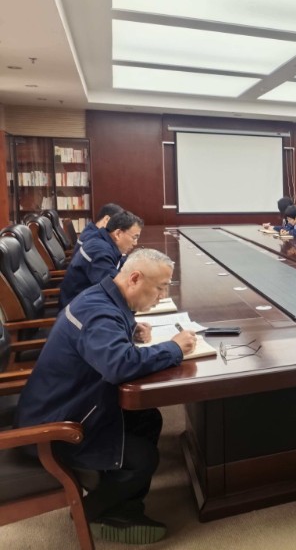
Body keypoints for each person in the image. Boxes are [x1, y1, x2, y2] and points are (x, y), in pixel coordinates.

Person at [15, 248, 197, 543]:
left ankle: (125, 506)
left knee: (147, 417)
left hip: (72, 404)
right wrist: (173, 348)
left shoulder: (102, 298)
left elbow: (102, 341)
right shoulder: (99, 313)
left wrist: (129, 331)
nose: (162, 296)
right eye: (160, 287)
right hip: (55, 428)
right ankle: (90, 510)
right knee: (143, 458)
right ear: (134, 278)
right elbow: (119, 366)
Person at [59, 211, 143, 309]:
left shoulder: (102, 241)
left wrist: (141, 265)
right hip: (79, 309)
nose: (135, 243)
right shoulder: (99, 251)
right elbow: (114, 288)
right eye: (134, 237)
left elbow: (120, 262)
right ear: (118, 234)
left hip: (87, 301)